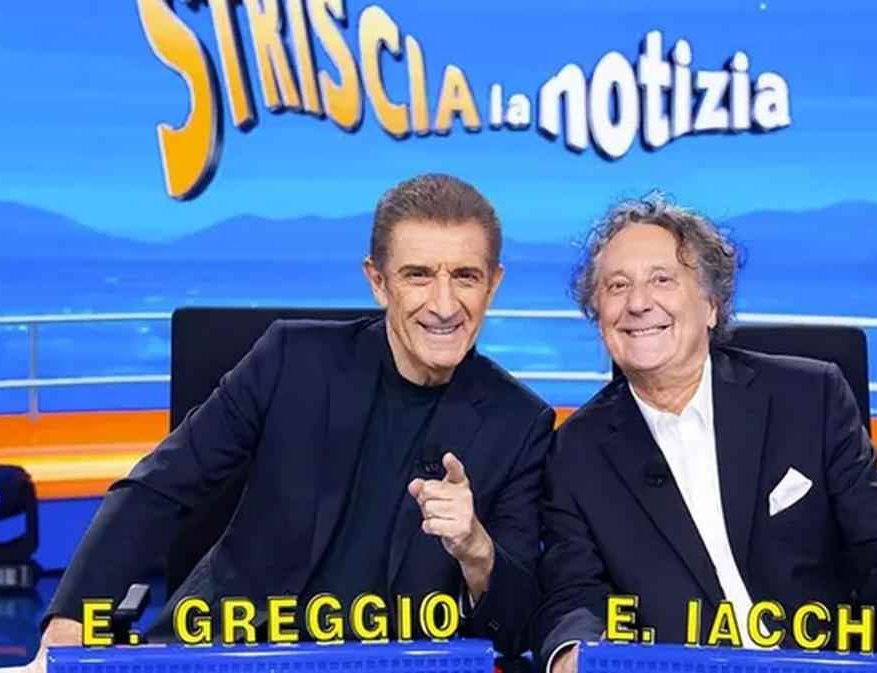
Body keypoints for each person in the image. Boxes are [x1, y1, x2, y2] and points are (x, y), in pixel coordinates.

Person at [37, 174, 554, 656]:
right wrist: (69, 628)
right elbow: (159, 490)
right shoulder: (291, 361)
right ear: (378, 282)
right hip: (226, 654)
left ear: (493, 284)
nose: (444, 304)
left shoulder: (519, 423)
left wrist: (475, 548)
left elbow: (515, 627)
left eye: (465, 277)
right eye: (417, 276)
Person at [535, 195, 877, 672]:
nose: (637, 303)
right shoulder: (576, 451)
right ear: (598, 315)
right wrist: (573, 652)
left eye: (662, 279)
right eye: (617, 286)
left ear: (711, 305)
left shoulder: (808, 398)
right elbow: (574, 592)